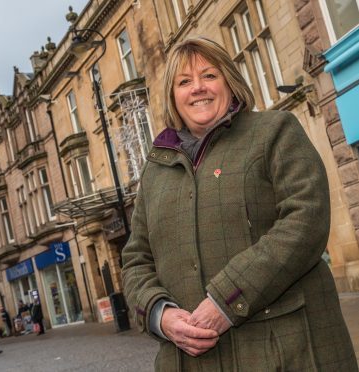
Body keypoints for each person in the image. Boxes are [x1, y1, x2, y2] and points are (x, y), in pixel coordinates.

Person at [122, 36, 358, 371]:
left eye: (209, 75)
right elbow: (135, 260)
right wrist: (160, 314)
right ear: (172, 97)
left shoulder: (274, 132)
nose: (198, 88)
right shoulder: (155, 170)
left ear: (230, 82)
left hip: (286, 352)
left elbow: (306, 218)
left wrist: (227, 299)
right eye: (184, 82)